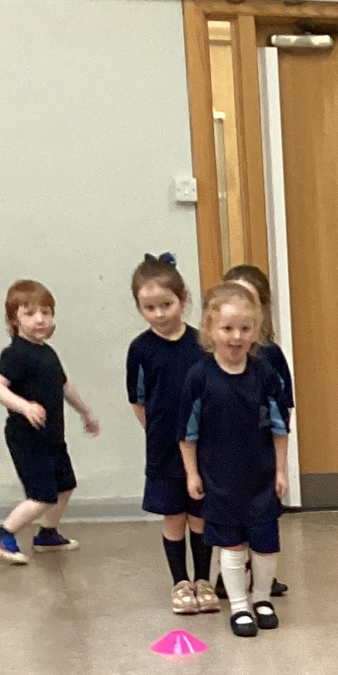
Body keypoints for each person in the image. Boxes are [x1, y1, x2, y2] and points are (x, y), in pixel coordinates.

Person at [179, 281, 289, 638]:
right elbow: (187, 433)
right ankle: (239, 606)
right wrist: (192, 474)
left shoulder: (264, 374)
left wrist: (281, 470)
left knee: (265, 541)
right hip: (219, 478)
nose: (236, 336)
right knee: (230, 544)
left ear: (255, 330)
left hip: (260, 476)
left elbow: (279, 427)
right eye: (227, 328)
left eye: (245, 328)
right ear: (210, 329)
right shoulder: (199, 378)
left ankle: (262, 598)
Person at [0, 280, 100, 563]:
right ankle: (2, 534)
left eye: (45, 312)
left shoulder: (47, 352)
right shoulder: (16, 354)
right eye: (30, 313)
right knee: (42, 495)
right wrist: (24, 407)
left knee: (65, 485)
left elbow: (64, 386)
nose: (40, 319)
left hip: (52, 437)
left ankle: (47, 534)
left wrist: (85, 412)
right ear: (15, 320)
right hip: (28, 438)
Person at [126, 253, 215, 615]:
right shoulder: (140, 349)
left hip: (203, 447)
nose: (159, 314)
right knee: (173, 516)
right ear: (140, 308)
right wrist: (156, 433)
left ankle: (204, 580)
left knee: (200, 516)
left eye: (166, 304)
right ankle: (180, 582)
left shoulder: (202, 344)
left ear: (183, 299)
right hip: (163, 449)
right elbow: (138, 400)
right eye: (149, 308)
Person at [222, 264, 293, 599]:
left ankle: (263, 576)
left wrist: (281, 463)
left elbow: (283, 407)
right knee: (227, 515)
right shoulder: (211, 359)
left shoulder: (270, 356)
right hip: (224, 451)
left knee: (262, 515)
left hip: (260, 451)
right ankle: (229, 575)